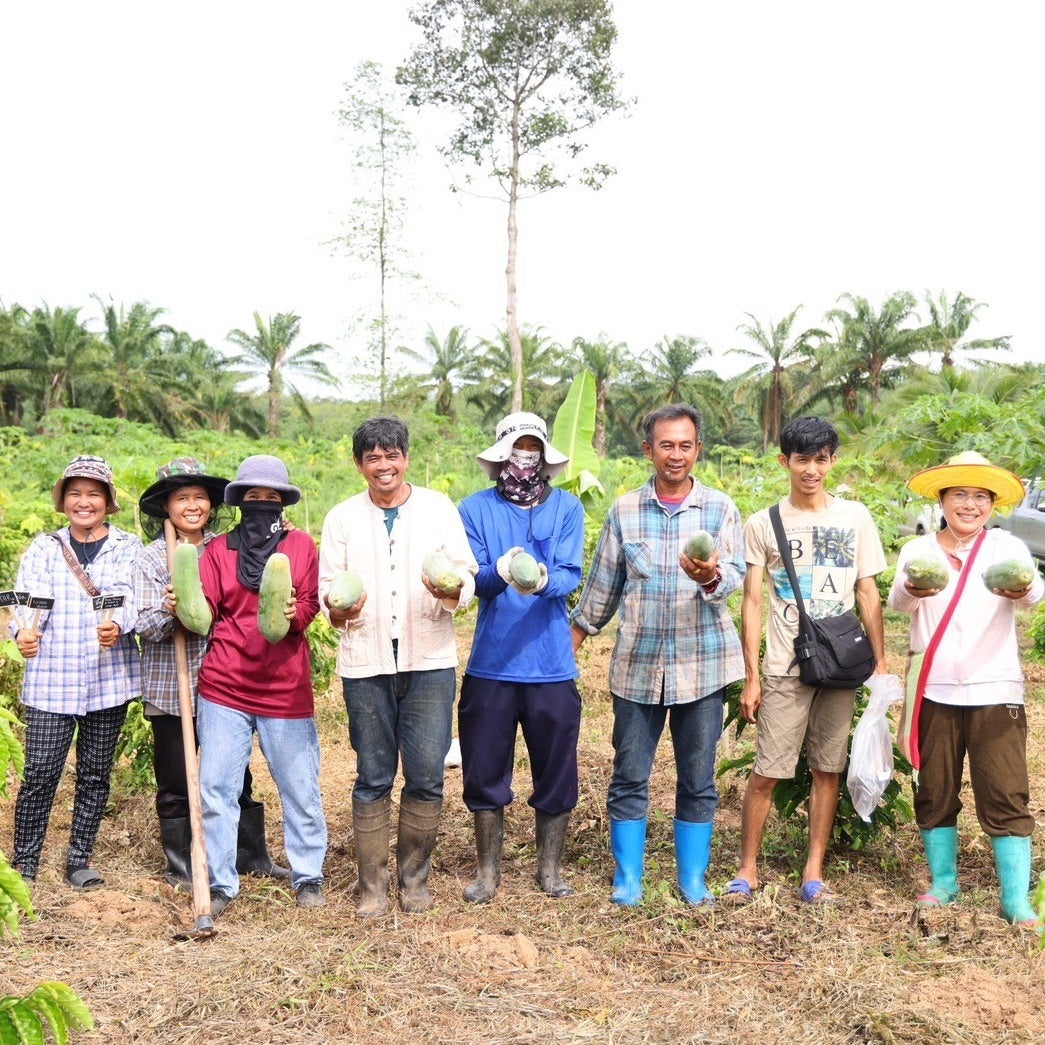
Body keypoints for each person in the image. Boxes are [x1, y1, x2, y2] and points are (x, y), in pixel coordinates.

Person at [571, 404, 746, 906]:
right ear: (648, 450)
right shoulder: (626, 510)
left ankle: (692, 880)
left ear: (698, 450)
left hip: (703, 667)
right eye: (666, 445)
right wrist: (571, 647)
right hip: (638, 669)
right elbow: (602, 590)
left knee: (698, 777)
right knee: (629, 773)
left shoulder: (719, 509)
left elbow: (732, 576)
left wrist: (709, 577)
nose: (676, 455)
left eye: (685, 445)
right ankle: (629, 879)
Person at [724, 416, 887, 905]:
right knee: (769, 769)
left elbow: (868, 592)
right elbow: (751, 602)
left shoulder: (855, 517)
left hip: (839, 663)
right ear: (785, 463)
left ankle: (813, 871)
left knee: (827, 766)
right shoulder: (762, 523)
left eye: (821, 459)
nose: (811, 469)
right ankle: (748, 868)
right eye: (802, 459)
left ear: (832, 461)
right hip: (783, 666)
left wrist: (880, 666)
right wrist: (752, 675)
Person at [319, 416, 476, 917]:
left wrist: (452, 590)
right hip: (365, 662)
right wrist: (338, 609)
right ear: (359, 464)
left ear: (405, 457)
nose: (382, 465)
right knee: (372, 773)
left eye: (391, 455)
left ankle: (414, 880)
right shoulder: (342, 517)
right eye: (372, 457)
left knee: (428, 772)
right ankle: (373, 887)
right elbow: (329, 591)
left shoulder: (437, 508)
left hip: (428, 658)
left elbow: (466, 574)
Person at [889, 451, 1044, 927]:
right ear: (943, 500)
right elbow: (897, 602)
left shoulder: (1007, 549)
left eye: (980, 497)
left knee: (1005, 791)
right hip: (934, 689)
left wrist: (1020, 591)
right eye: (960, 495)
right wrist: (914, 591)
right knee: (935, 790)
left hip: (995, 690)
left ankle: (1014, 899)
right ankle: (944, 883)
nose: (970, 505)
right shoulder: (919, 552)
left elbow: (1035, 594)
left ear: (992, 505)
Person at [134, 457, 288, 887]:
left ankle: (249, 854)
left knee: (235, 776)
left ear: (212, 504)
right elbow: (141, 625)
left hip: (225, 684)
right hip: (171, 687)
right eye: (182, 498)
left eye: (199, 497)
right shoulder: (150, 559)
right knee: (176, 780)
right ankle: (184, 866)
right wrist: (169, 609)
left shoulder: (227, 547)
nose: (192, 506)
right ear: (167, 507)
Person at [456, 412, 585, 903]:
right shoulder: (473, 509)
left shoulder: (567, 509)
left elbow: (571, 575)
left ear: (545, 457)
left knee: (556, 767)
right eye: (517, 448)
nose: (524, 458)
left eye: (533, 449)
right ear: (501, 454)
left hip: (551, 663)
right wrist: (502, 571)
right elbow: (473, 581)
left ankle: (548, 869)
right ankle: (488, 872)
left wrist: (546, 580)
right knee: (485, 768)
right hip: (491, 662)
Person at [194, 455, 327, 915]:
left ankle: (308, 874)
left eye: (271, 499)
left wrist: (295, 617)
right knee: (216, 788)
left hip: (284, 689)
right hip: (224, 686)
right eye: (253, 499)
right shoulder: (216, 552)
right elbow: (206, 612)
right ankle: (222, 882)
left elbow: (309, 605)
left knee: (300, 788)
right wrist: (184, 601)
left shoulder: (301, 547)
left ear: (283, 503)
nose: (262, 507)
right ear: (239, 503)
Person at [10, 455, 141, 888]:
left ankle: (79, 858)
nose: (84, 502)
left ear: (108, 501)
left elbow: (132, 596)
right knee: (41, 772)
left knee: (95, 772)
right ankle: (26, 862)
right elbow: (30, 602)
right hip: (52, 678)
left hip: (108, 679)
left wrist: (118, 624)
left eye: (94, 494)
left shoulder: (127, 546)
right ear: (64, 501)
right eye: (75, 494)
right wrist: (23, 635)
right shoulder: (45, 547)